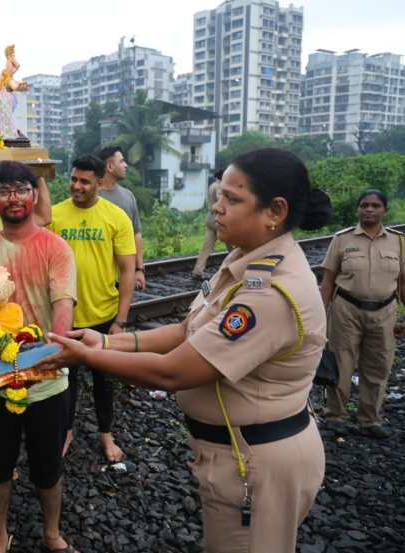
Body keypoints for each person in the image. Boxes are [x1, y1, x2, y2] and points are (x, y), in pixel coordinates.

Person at [37, 148, 333, 553]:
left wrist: (85, 357)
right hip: (237, 450)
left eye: (232, 199)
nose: (217, 207)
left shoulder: (270, 293)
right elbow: (186, 330)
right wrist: (105, 341)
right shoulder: (244, 260)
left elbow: (173, 373)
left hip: (258, 461)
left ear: (275, 211)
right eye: (220, 195)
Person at [0, 161, 78, 553]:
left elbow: (64, 305)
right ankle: (0, 535)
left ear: (34, 195)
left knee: (48, 466)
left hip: (48, 376)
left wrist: (56, 349)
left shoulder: (55, 247)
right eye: (3, 191)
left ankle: (51, 533)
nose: (13, 198)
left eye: (21, 188)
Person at [49, 155, 136, 463]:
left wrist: (121, 321)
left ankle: (106, 434)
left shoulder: (116, 217)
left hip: (103, 314)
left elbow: (127, 270)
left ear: (100, 182)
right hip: (64, 317)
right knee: (64, 381)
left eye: (85, 181)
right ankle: (66, 431)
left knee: (103, 380)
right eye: (74, 179)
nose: (77, 186)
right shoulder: (55, 215)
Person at [319, 189, 405, 439]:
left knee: (378, 366)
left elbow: (402, 283)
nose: (369, 209)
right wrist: (319, 315)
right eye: (364, 205)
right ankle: (336, 416)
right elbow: (328, 282)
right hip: (346, 309)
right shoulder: (342, 239)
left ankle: (370, 420)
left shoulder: (398, 241)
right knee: (341, 364)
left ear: (384, 211)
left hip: (385, 311)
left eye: (375, 205)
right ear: (358, 209)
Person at [96, 145, 146, 289]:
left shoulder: (128, 196)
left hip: (123, 277)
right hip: (96, 278)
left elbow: (136, 234)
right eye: (122, 161)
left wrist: (139, 269)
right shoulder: (91, 196)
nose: (126, 165)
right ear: (110, 166)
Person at [193, 172, 223, 279]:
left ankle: (198, 270)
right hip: (218, 218)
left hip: (210, 217)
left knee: (206, 247)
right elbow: (220, 200)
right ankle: (237, 268)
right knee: (233, 245)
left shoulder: (212, 186)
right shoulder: (220, 187)